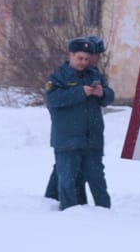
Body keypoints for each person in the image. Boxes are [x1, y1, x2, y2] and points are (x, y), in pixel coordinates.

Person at [45, 36, 114, 209]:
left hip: (92, 139)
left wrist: (102, 94)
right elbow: (53, 100)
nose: (83, 62)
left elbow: (110, 96)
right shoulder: (58, 77)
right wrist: (80, 92)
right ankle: (69, 213)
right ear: (71, 55)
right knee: (67, 180)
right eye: (80, 58)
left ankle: (105, 213)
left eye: (86, 59)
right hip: (68, 139)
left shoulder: (94, 75)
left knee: (98, 180)